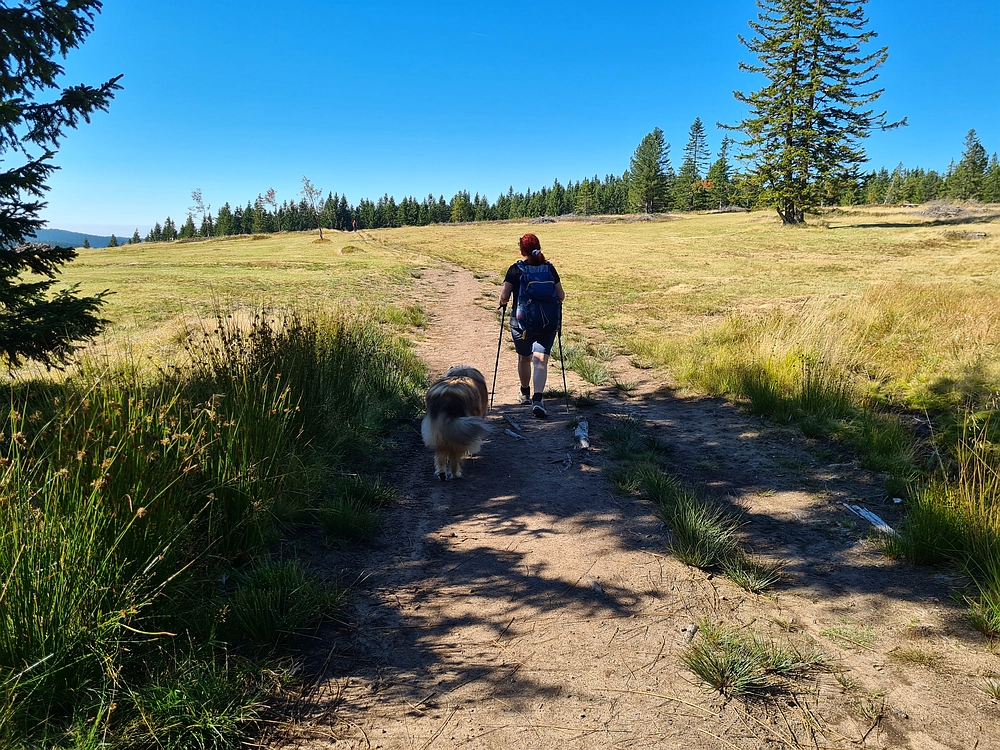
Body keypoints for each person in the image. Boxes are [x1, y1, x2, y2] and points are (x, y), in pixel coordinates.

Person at [498, 233, 566, 418]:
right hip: (547, 323)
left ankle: (525, 393)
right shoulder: (549, 269)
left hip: (522, 324)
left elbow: (504, 296)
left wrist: (503, 303)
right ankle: (538, 399)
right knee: (541, 359)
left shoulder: (515, 270)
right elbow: (561, 296)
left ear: (522, 250)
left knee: (524, 358)